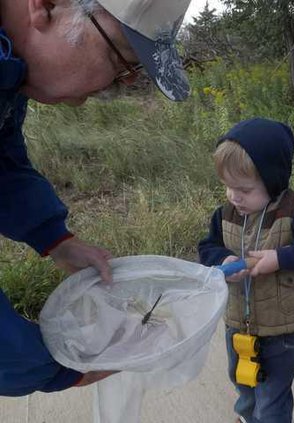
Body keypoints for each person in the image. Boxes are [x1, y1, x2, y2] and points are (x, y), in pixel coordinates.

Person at [0, 0, 192, 396]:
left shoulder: (13, 68)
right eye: (118, 58)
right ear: (46, 6)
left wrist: (54, 238)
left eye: (130, 72)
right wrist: (50, 367)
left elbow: (2, 159)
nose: (111, 87)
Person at [198, 117, 294, 423]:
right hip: (238, 324)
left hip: (281, 332)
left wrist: (281, 258)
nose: (233, 197)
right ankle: (245, 416)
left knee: (272, 396)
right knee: (242, 381)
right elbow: (207, 246)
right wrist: (222, 259)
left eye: (244, 189)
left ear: (273, 179)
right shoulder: (225, 214)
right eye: (227, 187)